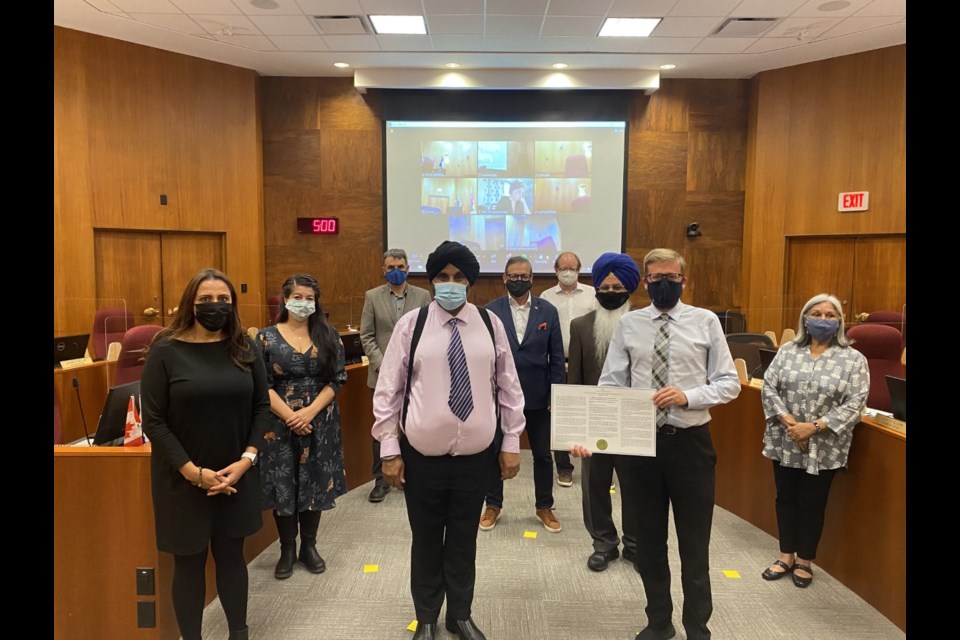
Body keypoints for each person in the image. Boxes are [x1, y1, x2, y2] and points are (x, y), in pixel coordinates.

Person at [372, 240, 526, 640]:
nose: (451, 284)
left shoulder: (491, 325)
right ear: (433, 280)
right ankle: (426, 616)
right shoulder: (414, 324)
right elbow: (388, 391)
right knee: (425, 539)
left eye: (459, 278)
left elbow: (509, 388)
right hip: (423, 457)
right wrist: (390, 450)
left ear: (471, 282)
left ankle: (460, 614)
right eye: (443, 277)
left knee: (463, 539)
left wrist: (511, 443)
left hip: (476, 458)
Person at [595, 248, 740, 640]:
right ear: (645, 282)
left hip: (691, 445)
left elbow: (729, 383)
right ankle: (659, 622)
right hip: (641, 446)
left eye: (671, 278)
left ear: (684, 281)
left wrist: (688, 396)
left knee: (694, 547)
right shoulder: (630, 325)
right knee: (649, 545)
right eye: (656, 279)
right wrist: (591, 435)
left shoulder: (705, 321)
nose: (664, 284)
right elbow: (610, 385)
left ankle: (698, 629)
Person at [141, 268, 271, 640]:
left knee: (232, 557)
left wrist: (247, 459)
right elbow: (154, 421)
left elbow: (262, 407)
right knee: (189, 563)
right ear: (190, 304)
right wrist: (193, 472)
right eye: (206, 300)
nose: (216, 306)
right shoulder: (165, 350)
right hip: (181, 479)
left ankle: (239, 634)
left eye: (224, 300)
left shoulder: (245, 348)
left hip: (236, 474)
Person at [759, 293, 869, 588]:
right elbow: (769, 387)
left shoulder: (853, 359)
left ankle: (805, 560)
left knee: (813, 502)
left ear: (840, 322)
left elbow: (856, 403)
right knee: (786, 498)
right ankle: (785, 555)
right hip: (785, 439)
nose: (823, 320)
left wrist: (814, 427)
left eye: (830, 315)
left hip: (825, 446)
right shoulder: (787, 351)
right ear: (805, 319)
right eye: (816, 314)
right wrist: (788, 421)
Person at [255, 274, 348, 580]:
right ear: (284, 299)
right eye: (298, 297)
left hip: (319, 420)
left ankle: (309, 546)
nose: (304, 303)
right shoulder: (265, 338)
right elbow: (261, 384)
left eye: (310, 298)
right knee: (285, 484)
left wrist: (308, 412)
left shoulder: (328, 334)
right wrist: (291, 417)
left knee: (314, 480)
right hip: (279, 423)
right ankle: (286, 548)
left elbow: (337, 379)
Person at [568, 252, 641, 572]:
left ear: (629, 288)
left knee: (636, 486)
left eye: (618, 286)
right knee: (593, 486)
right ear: (596, 287)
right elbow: (574, 380)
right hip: (594, 421)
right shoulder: (580, 326)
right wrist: (574, 428)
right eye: (605, 286)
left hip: (634, 420)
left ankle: (636, 544)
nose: (611, 291)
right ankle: (604, 544)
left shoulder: (644, 324)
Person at [482, 256, 565, 533]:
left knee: (542, 455)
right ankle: (493, 504)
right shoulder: (490, 311)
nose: (519, 280)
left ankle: (544, 506)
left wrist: (558, 394)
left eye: (524, 276)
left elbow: (556, 357)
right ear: (504, 278)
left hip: (538, 396)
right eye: (513, 276)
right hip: (499, 396)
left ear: (533, 278)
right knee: (494, 452)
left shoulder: (548, 311)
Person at [359, 249, 432, 503]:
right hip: (381, 375)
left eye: (400, 266)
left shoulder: (423, 296)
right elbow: (366, 335)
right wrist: (384, 365)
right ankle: (380, 480)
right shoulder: (372, 297)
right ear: (383, 270)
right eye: (390, 267)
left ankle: (412, 475)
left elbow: (430, 332)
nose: (395, 270)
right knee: (383, 427)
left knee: (413, 426)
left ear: (408, 268)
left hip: (416, 375)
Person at [539, 251, 597, 487]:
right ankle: (564, 468)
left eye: (572, 268)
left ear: (579, 269)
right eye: (563, 268)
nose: (567, 272)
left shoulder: (593, 295)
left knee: (591, 413)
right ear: (555, 270)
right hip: (556, 361)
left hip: (588, 362)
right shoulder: (546, 296)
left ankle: (596, 466)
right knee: (560, 415)